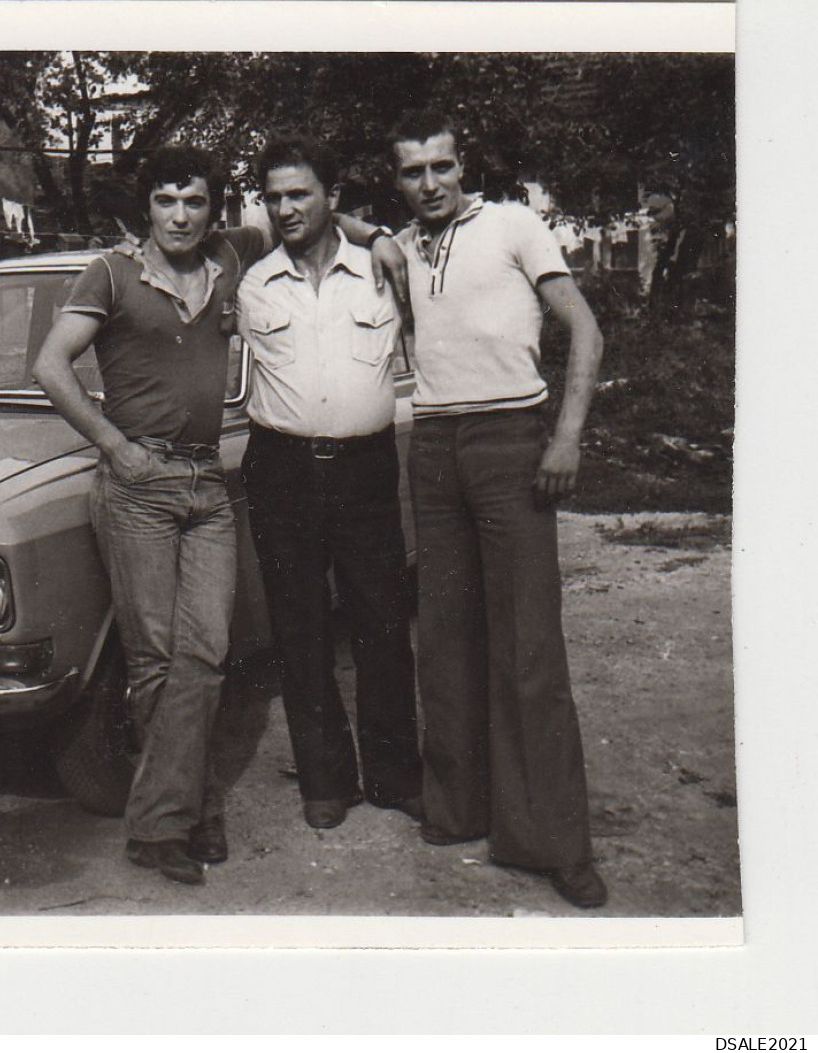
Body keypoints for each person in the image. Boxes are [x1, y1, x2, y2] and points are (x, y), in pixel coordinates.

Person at [34, 144, 408, 885]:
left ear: (213, 209)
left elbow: (313, 215)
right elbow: (50, 366)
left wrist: (381, 235)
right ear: (146, 206)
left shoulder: (233, 257)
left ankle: (176, 806)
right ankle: (180, 815)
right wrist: (114, 444)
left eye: (195, 201)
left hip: (206, 483)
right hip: (137, 484)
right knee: (157, 658)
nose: (180, 215)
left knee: (206, 654)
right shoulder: (109, 272)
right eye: (167, 201)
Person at [389, 109, 608, 909]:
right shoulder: (406, 244)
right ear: (397, 180)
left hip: (511, 437)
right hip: (435, 447)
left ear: (462, 165)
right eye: (412, 172)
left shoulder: (515, 224)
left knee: (528, 646)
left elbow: (584, 330)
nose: (429, 184)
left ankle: (552, 840)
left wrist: (568, 437)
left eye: (440, 168)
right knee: (444, 638)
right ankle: (458, 809)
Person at [237, 136, 424, 832]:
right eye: (274, 196)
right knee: (300, 627)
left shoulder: (382, 268)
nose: (286, 208)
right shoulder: (251, 279)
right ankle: (325, 779)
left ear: (331, 198)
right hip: (280, 466)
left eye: (300, 194)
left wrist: (372, 233)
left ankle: (396, 774)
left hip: (364, 467)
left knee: (381, 620)